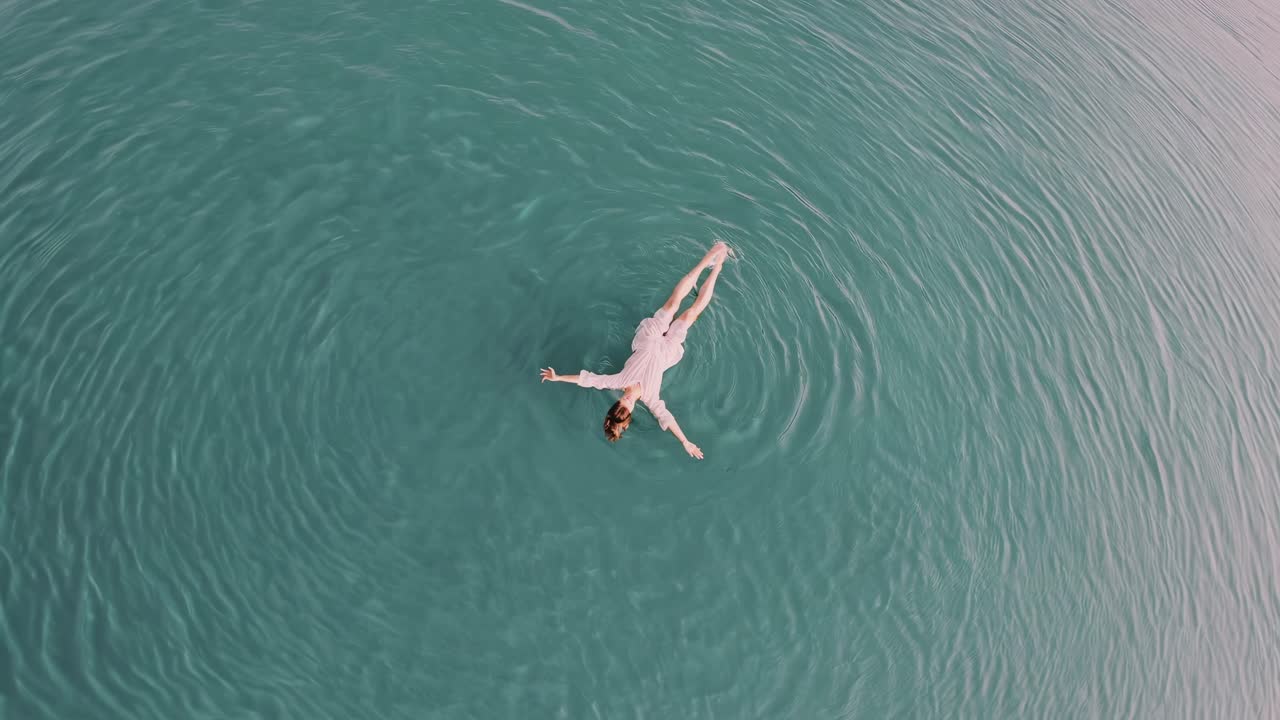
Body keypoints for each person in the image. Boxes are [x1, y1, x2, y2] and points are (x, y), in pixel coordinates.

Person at [540, 241, 730, 459]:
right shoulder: (650, 398)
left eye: (622, 403)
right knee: (690, 314)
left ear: (618, 404)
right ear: (628, 415)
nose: (627, 401)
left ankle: (710, 257)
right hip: (666, 350)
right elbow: (666, 419)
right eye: (626, 406)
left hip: (650, 337)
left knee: (674, 303)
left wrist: (559, 377)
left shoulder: (618, 381)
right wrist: (685, 442)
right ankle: (717, 266)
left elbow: (588, 379)